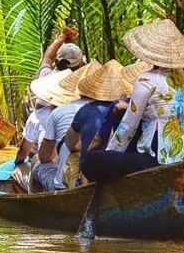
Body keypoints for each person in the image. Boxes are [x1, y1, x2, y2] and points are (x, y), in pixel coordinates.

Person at [83, 20, 184, 183]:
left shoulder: (147, 79)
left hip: (156, 159)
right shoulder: (182, 80)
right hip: (182, 157)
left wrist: (111, 154)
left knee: (93, 160)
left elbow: (129, 124)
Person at [32, 60, 101, 192]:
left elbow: (44, 157)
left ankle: (32, 205)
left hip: (63, 185)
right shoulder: (112, 110)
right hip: (97, 181)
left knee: (36, 162)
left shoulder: (59, 112)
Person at [61, 60, 126, 188]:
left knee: (71, 158)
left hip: (93, 174)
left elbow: (69, 144)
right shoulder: (131, 109)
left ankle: (77, 184)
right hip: (119, 169)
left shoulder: (86, 110)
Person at [11, 68, 78, 192]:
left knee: (34, 160)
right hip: (79, 174)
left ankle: (33, 201)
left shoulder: (43, 115)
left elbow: (26, 153)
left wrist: (17, 163)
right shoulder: (86, 110)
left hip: (61, 178)